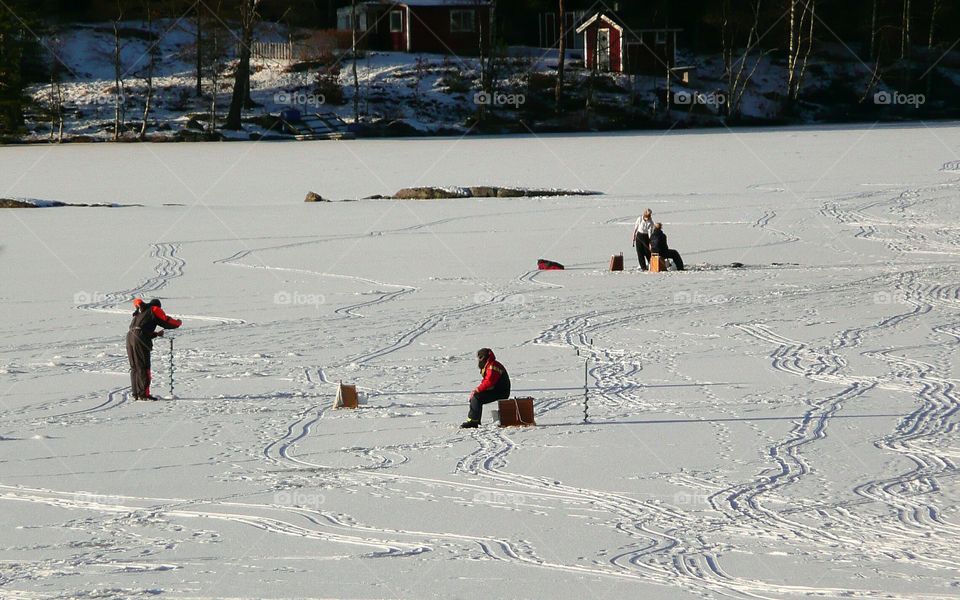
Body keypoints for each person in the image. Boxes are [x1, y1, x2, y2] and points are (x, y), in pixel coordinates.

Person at [127, 298, 182, 400]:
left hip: (130, 337)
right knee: (143, 366)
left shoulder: (141, 311)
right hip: (139, 337)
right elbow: (166, 321)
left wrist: (156, 334)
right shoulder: (155, 309)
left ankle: (136, 394)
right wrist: (178, 323)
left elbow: (140, 329)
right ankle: (144, 394)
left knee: (135, 367)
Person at [461, 348, 511, 428]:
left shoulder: (493, 366)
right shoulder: (489, 365)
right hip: (496, 390)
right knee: (476, 397)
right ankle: (475, 420)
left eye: (480, 357)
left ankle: (473, 422)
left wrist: (477, 390)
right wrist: (478, 390)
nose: (479, 360)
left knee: (477, 398)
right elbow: (486, 381)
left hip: (501, 392)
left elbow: (489, 382)